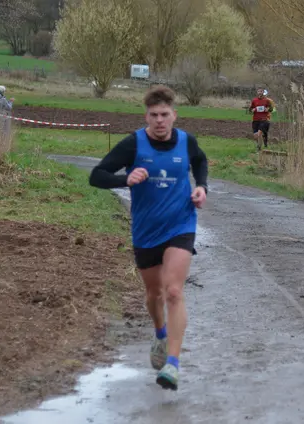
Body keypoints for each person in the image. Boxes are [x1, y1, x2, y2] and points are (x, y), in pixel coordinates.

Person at [88, 85, 208, 391]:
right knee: (154, 294)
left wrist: (201, 186)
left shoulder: (186, 141)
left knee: (174, 292)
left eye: (164, 114)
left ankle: (173, 364)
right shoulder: (133, 144)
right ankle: (160, 334)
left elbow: (200, 161)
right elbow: (96, 175)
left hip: (181, 224)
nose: (159, 120)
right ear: (146, 117)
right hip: (146, 231)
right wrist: (125, 179)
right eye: (154, 115)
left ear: (174, 115)